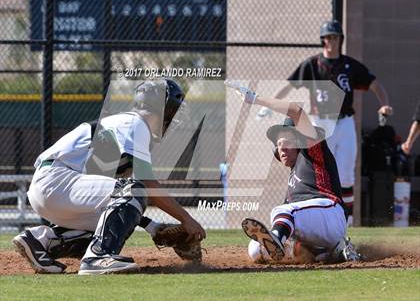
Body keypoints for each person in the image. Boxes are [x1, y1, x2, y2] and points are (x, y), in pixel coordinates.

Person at [12, 79, 206, 275]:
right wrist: (186, 218)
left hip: (53, 188)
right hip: (57, 180)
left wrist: (153, 227)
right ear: (163, 109)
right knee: (134, 189)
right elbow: (144, 185)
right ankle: (98, 257)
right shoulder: (136, 123)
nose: (174, 118)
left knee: (106, 225)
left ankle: (39, 240)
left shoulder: (129, 128)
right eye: (174, 110)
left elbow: (116, 205)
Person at [257, 20, 393, 226]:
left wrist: (384, 104)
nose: (331, 41)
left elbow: (375, 84)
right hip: (320, 121)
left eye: (335, 37)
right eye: (328, 37)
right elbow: (289, 85)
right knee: (318, 170)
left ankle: (345, 225)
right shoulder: (312, 64)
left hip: (345, 121)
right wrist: (267, 106)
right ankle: (317, 215)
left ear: (341, 40)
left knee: (347, 174)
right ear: (323, 41)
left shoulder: (350, 65)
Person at [226, 81, 360, 263]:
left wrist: (256, 100)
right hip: (313, 227)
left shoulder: (313, 152)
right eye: (279, 144)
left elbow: (296, 111)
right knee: (255, 249)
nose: (282, 148)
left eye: (287, 142)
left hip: (332, 214)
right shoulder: (292, 184)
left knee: (282, 212)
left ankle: (319, 247)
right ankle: (330, 252)